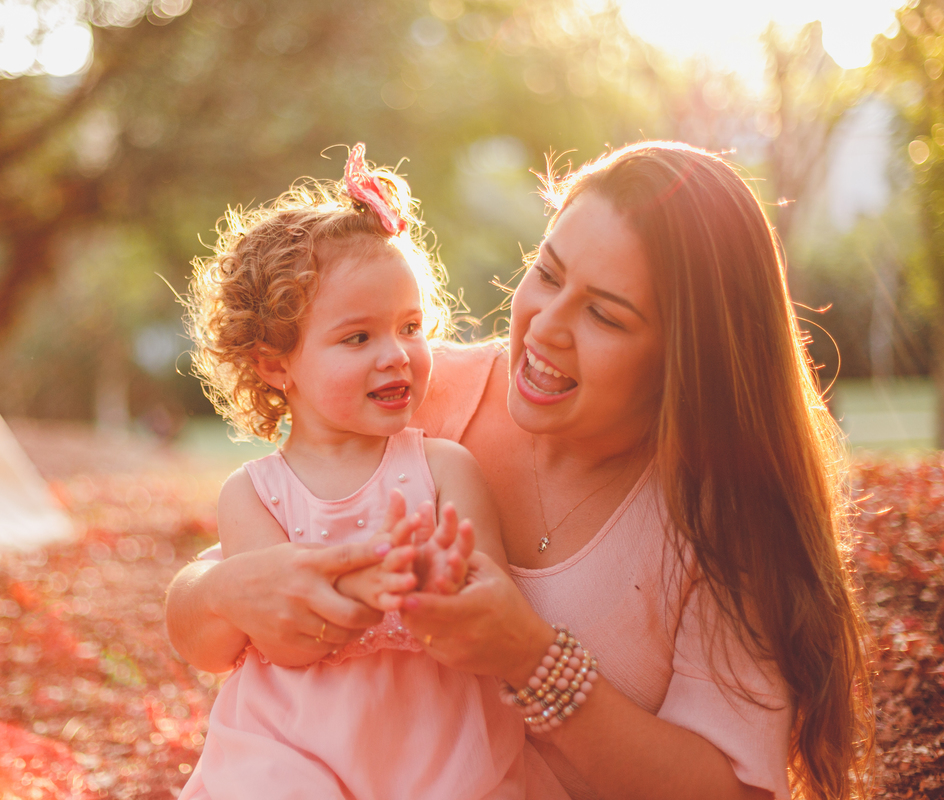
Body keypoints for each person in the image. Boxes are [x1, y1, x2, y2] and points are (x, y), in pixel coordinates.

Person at [166, 142, 873, 800]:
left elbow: (733, 790)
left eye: (605, 314)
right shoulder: (416, 398)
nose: (544, 325)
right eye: (548, 273)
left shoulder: (722, 519)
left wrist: (532, 658)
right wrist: (228, 589)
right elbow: (223, 591)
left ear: (685, 357)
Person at [175, 144, 526, 800]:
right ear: (277, 365)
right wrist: (364, 585)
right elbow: (290, 640)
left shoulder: (445, 468)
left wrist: (443, 585)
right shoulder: (253, 495)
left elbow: (492, 602)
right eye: (358, 337)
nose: (396, 355)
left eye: (411, 327)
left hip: (435, 740)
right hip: (294, 745)